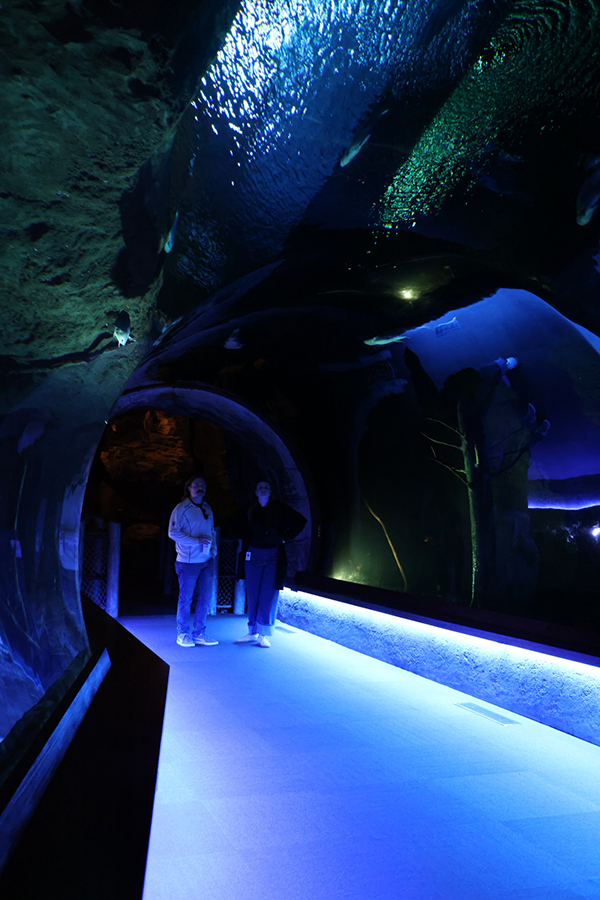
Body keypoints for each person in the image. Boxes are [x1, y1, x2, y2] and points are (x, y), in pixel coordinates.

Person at [227, 480, 306, 648]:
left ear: (270, 492)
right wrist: (245, 536)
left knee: (268, 595)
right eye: (260, 488)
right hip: (253, 555)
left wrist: (283, 536)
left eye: (266, 488)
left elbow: (300, 520)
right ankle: (252, 631)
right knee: (254, 593)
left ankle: (263, 633)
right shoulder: (250, 509)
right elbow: (231, 522)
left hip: (273, 556)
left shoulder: (279, 508)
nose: (263, 490)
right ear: (256, 492)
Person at [168, 476, 219, 648]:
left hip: (206, 560)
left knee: (205, 598)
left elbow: (211, 530)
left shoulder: (207, 508)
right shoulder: (181, 509)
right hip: (188, 561)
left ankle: (199, 633)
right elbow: (173, 533)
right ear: (188, 488)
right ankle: (182, 633)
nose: (200, 488)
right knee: (186, 598)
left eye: (203, 485)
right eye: (196, 485)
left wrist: (213, 549)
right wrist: (196, 541)